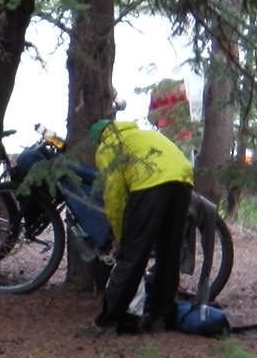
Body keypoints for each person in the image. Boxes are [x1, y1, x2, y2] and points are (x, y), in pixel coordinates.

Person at [82, 119, 194, 335]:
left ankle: (109, 321)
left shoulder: (108, 147)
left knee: (132, 255)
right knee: (169, 253)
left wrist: (120, 234)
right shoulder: (144, 134)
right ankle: (161, 316)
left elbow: (114, 195)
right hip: (183, 181)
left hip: (149, 185)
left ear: (99, 138)